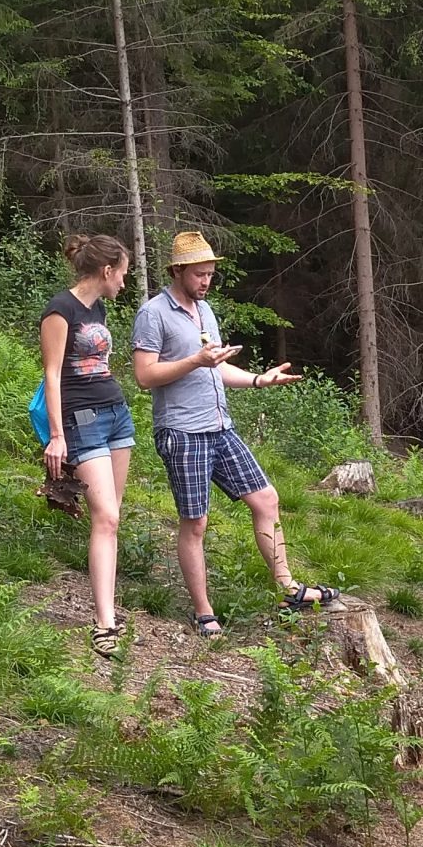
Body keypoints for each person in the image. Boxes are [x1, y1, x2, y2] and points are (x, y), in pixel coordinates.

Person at [131, 230, 338, 637]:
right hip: (183, 432)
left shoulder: (205, 312)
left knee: (266, 499)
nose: (206, 282)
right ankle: (204, 611)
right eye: (199, 274)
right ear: (177, 271)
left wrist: (259, 380)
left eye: (210, 274)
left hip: (220, 427)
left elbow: (217, 367)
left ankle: (287, 589)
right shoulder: (153, 314)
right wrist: (194, 360)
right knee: (196, 522)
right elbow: (144, 376)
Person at [41, 233, 135, 659]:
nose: (124, 283)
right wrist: (58, 435)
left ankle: (108, 608)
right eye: (123, 274)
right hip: (83, 422)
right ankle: (104, 624)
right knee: (107, 517)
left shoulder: (96, 308)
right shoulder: (60, 310)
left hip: (116, 415)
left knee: (111, 520)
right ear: (107, 270)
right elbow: (52, 375)